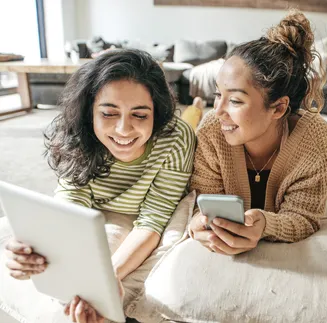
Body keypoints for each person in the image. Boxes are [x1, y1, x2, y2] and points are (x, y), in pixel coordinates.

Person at [3, 49, 196, 322]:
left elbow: (152, 220)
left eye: (140, 115)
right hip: (96, 209)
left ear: (156, 112)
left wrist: (106, 280)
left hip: (138, 213)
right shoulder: (78, 135)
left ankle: (197, 105)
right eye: (108, 113)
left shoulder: (176, 138)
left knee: (194, 117)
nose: (123, 130)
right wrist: (37, 249)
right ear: (89, 111)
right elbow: (70, 201)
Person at [188, 10, 327, 255]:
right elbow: (200, 201)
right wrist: (198, 224)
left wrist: (267, 225)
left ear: (278, 108)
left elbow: (305, 217)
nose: (219, 110)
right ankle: (194, 107)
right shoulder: (212, 130)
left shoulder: (313, 139)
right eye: (217, 95)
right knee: (189, 121)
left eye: (234, 100)